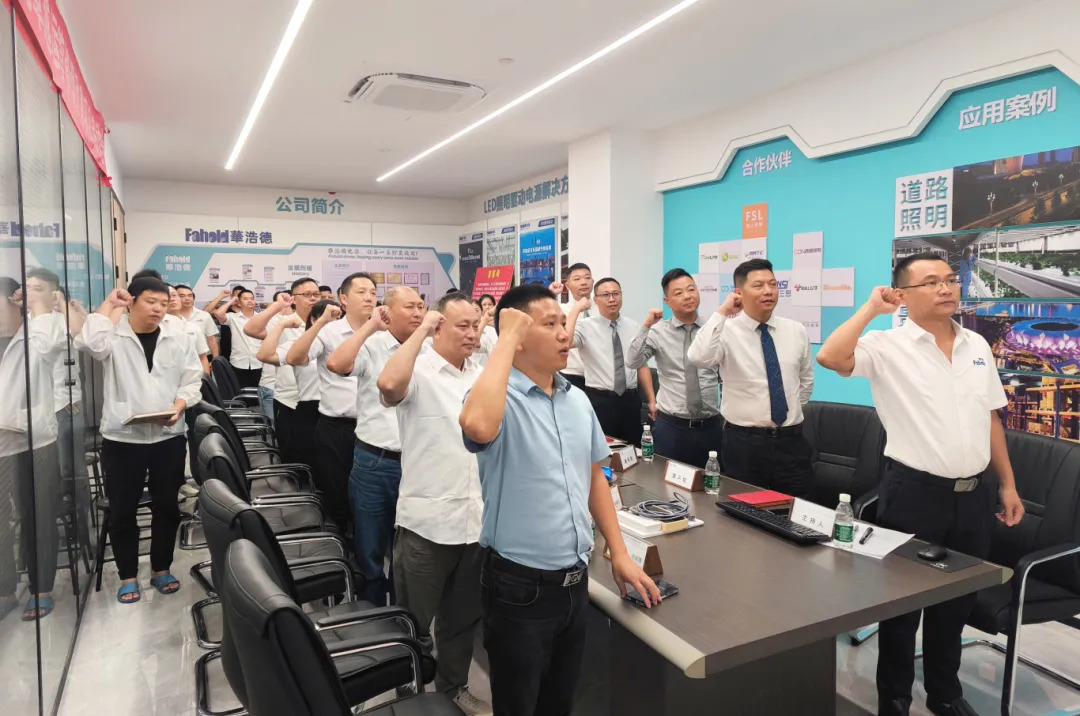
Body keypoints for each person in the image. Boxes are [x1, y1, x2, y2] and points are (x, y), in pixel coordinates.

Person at [816, 252, 1025, 716]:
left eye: (950, 279)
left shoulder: (976, 344)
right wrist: (872, 308)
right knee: (901, 606)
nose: (946, 288)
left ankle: (944, 694)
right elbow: (830, 356)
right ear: (903, 295)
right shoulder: (886, 346)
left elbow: (991, 419)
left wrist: (1007, 485)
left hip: (974, 495)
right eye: (930, 282)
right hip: (914, 494)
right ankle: (894, 697)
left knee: (956, 602)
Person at [460, 284, 660, 715]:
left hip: (574, 581)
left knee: (559, 703)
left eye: (563, 323)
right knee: (518, 705)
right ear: (517, 336)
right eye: (549, 324)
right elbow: (477, 426)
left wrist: (619, 552)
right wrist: (505, 337)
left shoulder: (577, 400)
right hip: (518, 586)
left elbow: (595, 477)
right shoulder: (496, 397)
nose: (564, 333)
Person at [377, 292, 491, 715]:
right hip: (426, 524)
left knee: (460, 622)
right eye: (463, 325)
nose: (473, 333)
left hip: (475, 522)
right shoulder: (417, 370)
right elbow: (389, 387)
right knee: (412, 622)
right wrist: (422, 327)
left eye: (476, 324)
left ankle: (453, 689)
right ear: (438, 327)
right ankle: (407, 695)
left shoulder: (483, 373)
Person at [76, 278, 202, 604]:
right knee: (123, 510)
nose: (158, 309)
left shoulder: (177, 336)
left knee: (167, 506)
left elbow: (192, 379)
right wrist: (111, 303)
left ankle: (161, 569)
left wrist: (178, 407)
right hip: (123, 438)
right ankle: (128, 575)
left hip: (168, 436)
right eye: (150, 301)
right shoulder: (114, 334)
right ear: (132, 302)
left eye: (163, 303)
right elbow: (88, 342)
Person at [328, 286, 425, 605]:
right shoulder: (372, 345)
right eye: (409, 307)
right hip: (376, 462)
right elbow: (336, 364)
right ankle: (371, 612)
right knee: (370, 547)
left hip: (418, 464)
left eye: (421, 306)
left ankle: (401, 614)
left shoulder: (430, 349)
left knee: (408, 549)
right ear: (388, 311)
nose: (417, 313)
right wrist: (371, 326)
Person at [687, 258, 815, 497]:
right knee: (744, 512)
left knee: (797, 510)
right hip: (744, 443)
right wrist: (723, 312)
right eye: (758, 285)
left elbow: (805, 380)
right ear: (738, 293)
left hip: (791, 442)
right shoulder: (726, 331)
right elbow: (698, 356)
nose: (768, 291)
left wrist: (786, 416)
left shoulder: (795, 330)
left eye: (773, 284)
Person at [286, 273, 377, 531]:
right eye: (361, 292)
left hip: (374, 428)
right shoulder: (329, 331)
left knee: (370, 498)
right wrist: (320, 323)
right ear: (343, 299)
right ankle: (340, 544)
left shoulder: (384, 332)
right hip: (338, 428)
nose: (369, 297)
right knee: (337, 494)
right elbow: (294, 358)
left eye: (373, 292)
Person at [0, 275, 65, 621]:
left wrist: (37, 305)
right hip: (2, 444)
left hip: (34, 440)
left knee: (36, 515)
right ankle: (5, 590)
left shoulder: (38, 332)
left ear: (13, 301)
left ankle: (41, 589)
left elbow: (52, 346)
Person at [625, 268, 722, 467]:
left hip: (711, 426)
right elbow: (633, 361)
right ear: (667, 301)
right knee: (664, 482)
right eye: (678, 293)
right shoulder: (658, 331)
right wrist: (646, 325)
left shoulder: (713, 330)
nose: (687, 296)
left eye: (691, 289)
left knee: (712, 481)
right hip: (672, 427)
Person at [565, 277, 655, 444]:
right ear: (595, 300)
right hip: (600, 401)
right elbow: (565, 343)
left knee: (633, 449)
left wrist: (652, 400)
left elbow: (641, 365)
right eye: (605, 295)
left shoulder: (634, 326)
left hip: (630, 400)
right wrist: (576, 309)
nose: (612, 299)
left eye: (616, 294)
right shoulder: (585, 327)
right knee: (603, 450)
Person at [246, 279, 321, 469]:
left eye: (316, 294)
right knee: (293, 457)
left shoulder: (326, 324)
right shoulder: (286, 322)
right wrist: (278, 306)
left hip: (320, 402)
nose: (313, 298)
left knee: (318, 458)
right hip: (289, 400)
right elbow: (251, 329)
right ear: (294, 298)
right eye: (307, 295)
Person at [547, 262, 593, 389]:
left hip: (598, 378)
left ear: (593, 282)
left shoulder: (602, 310)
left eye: (587, 278)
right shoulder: (560, 311)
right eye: (577, 279)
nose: (583, 282)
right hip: (571, 374)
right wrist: (550, 294)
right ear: (567, 285)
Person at [212, 287, 263, 388]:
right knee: (239, 393)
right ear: (239, 302)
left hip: (259, 363)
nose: (250, 301)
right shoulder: (233, 317)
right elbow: (218, 313)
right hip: (238, 362)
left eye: (252, 298)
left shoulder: (261, 317)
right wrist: (232, 301)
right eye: (246, 299)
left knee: (258, 393)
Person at [257, 290, 292, 424]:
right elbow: (251, 329)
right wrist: (278, 306)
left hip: (298, 392)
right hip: (272, 387)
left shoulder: (310, 324)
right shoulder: (275, 321)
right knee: (275, 430)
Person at [165, 285, 211, 374]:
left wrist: (206, 380)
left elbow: (202, 357)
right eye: (167, 296)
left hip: (194, 379)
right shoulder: (155, 328)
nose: (172, 299)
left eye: (174, 295)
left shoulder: (192, 327)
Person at [174, 284, 221, 358]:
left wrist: (215, 359)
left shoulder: (204, 315)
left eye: (190, 295)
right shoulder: (170, 317)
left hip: (203, 357)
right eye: (182, 296)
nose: (187, 298)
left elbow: (212, 339)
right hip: (178, 357)